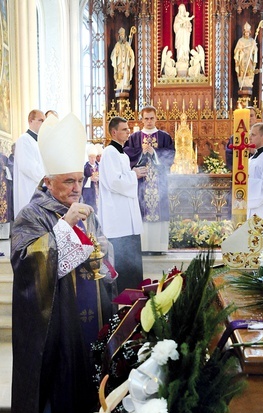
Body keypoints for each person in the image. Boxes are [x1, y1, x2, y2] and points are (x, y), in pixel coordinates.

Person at [11, 113, 115, 413]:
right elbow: (26, 265)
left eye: (80, 180)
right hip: (53, 327)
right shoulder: (31, 215)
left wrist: (103, 250)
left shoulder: (84, 211)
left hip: (87, 327)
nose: (76, 188)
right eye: (68, 181)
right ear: (48, 181)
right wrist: (62, 230)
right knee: (56, 395)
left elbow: (103, 258)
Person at [98, 116, 148, 293]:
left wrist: (133, 174)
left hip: (127, 217)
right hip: (118, 218)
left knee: (132, 257)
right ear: (114, 132)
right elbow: (114, 182)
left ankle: (134, 293)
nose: (128, 132)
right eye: (125, 129)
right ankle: (125, 294)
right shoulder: (110, 153)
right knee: (123, 256)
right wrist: (134, 175)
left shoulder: (121, 153)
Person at [124, 106, 175, 254]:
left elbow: (170, 155)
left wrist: (155, 152)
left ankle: (159, 248)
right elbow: (127, 155)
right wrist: (141, 152)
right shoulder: (134, 138)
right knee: (142, 213)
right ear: (141, 119)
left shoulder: (164, 137)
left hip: (160, 184)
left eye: (152, 118)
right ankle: (144, 248)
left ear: (156, 118)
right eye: (146, 118)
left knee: (160, 213)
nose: (149, 121)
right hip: (141, 184)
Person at [13, 109, 46, 217]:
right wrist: (46, 179)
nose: (43, 123)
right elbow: (27, 166)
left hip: (39, 189)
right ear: (31, 121)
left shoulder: (38, 142)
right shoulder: (24, 140)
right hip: (29, 189)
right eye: (40, 120)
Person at [225, 106, 263, 170]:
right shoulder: (234, 138)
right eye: (247, 116)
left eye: (251, 115)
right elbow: (229, 156)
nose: (249, 118)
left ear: (256, 118)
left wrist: (255, 152)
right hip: (240, 171)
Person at [110, 27, 135, 93]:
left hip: (126, 65)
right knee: (119, 75)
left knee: (126, 75)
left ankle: (126, 84)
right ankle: (119, 84)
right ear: (119, 36)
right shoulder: (117, 45)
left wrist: (129, 52)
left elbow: (131, 55)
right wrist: (116, 52)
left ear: (125, 35)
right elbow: (113, 55)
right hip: (120, 65)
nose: (122, 36)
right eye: (120, 35)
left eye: (123, 35)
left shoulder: (127, 44)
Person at [234, 22, 258, 89]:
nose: (247, 33)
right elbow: (236, 50)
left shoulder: (252, 41)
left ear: (250, 32)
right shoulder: (240, 41)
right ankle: (242, 83)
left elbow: (255, 51)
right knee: (242, 71)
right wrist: (240, 49)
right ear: (244, 32)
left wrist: (254, 47)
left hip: (249, 59)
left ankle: (249, 83)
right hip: (242, 59)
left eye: (248, 32)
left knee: (250, 71)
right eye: (245, 32)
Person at [83, 143, 99, 212]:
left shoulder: (99, 167)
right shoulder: (85, 168)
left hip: (98, 191)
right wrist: (90, 179)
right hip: (90, 193)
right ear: (88, 157)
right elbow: (82, 180)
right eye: (90, 157)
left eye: (93, 157)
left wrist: (99, 178)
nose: (92, 159)